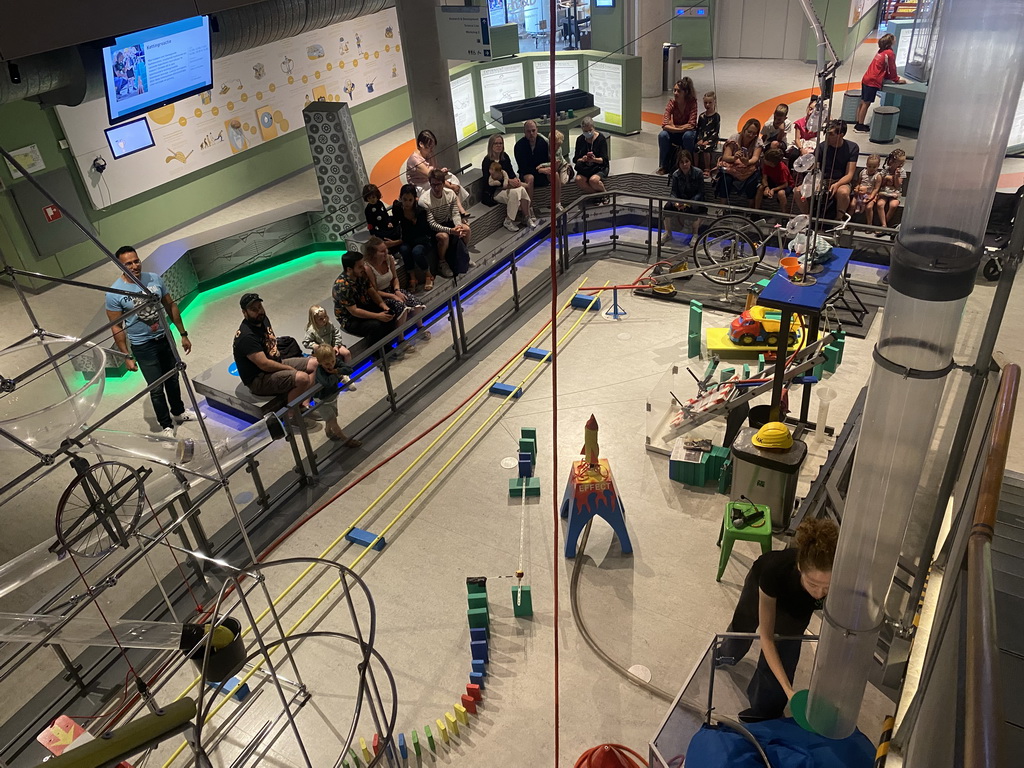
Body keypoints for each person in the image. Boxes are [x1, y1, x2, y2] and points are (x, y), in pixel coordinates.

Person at [719, 517, 839, 722]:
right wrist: (789, 689)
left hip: (798, 606)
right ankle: (724, 655)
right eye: (813, 584)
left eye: (827, 587)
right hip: (766, 586)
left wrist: (787, 692)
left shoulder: (835, 581)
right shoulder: (774, 570)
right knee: (743, 627)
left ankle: (763, 713)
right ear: (800, 567)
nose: (820, 593)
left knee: (786, 651)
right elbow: (766, 637)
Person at [105, 246, 194, 436]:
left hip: (165, 338)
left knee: (173, 377)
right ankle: (166, 426)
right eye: (128, 263)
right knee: (156, 387)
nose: (135, 265)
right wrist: (126, 356)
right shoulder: (114, 293)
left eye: (136, 261)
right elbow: (116, 326)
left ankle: (178, 412)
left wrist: (182, 333)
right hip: (143, 346)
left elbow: (170, 305)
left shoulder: (154, 278)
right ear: (120, 265)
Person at [233, 293, 317, 408]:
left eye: (260, 307)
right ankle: (292, 415)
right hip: (259, 378)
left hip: (276, 363)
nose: (259, 311)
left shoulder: (263, 319)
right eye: (253, 309)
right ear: (244, 313)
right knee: (302, 378)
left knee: (315, 363)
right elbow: (264, 365)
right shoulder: (247, 337)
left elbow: (271, 342)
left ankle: (305, 404)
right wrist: (289, 368)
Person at [332, 248, 404, 351]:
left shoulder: (361, 274)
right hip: (350, 318)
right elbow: (354, 311)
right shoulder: (342, 286)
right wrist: (378, 316)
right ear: (349, 269)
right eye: (360, 266)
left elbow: (371, 291)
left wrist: (383, 306)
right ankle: (377, 353)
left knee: (390, 312)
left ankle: (388, 343)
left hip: (364, 305)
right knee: (375, 325)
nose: (364, 268)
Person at [361, 237, 428, 341]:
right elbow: (374, 291)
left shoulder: (389, 258)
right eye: (382, 251)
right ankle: (400, 339)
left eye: (386, 249)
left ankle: (420, 327)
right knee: (401, 307)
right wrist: (393, 296)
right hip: (379, 297)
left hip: (392, 290)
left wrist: (396, 290)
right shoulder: (367, 268)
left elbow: (395, 278)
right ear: (373, 253)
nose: (385, 253)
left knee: (415, 303)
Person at [798, 119, 859, 216]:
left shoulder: (852, 148)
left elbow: (849, 174)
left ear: (841, 134)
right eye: (826, 133)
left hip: (841, 180)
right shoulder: (821, 147)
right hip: (822, 179)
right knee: (798, 191)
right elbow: (816, 167)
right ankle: (807, 218)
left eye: (831, 134)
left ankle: (838, 220)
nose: (827, 136)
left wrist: (838, 184)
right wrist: (816, 179)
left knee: (843, 192)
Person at [420, 168, 471, 278]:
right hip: (434, 230)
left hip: (448, 223)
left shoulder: (450, 194)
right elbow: (431, 224)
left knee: (466, 229)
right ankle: (442, 263)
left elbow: (455, 213)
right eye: (433, 185)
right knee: (444, 237)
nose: (436, 188)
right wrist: (451, 231)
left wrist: (458, 227)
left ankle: (463, 254)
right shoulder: (424, 201)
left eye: (438, 184)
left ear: (443, 183)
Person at [405, 128, 469, 217]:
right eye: (429, 147)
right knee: (445, 187)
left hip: (432, 179)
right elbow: (432, 176)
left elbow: (435, 170)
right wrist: (450, 186)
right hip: (422, 184)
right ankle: (458, 209)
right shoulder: (415, 160)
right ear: (421, 144)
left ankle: (457, 208)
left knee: (452, 177)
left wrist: (441, 171)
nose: (431, 150)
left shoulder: (429, 153)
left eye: (432, 147)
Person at [482, 133, 535, 231]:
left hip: (508, 186)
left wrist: (515, 180)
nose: (499, 146)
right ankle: (508, 220)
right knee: (515, 193)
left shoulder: (504, 157)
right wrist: (508, 181)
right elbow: (488, 181)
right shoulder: (487, 161)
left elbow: (510, 172)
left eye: (500, 143)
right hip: (495, 190)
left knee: (521, 189)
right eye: (496, 143)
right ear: (491, 145)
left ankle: (526, 217)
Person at [855, 33, 905, 133]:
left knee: (862, 101)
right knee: (866, 103)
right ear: (890, 42)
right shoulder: (889, 53)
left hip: (866, 77)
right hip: (873, 81)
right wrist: (896, 79)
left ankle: (857, 122)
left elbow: (882, 66)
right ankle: (860, 126)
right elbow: (892, 67)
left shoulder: (881, 51)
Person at [313, 346, 362, 447]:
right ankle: (345, 439)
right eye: (327, 364)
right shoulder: (320, 372)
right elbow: (327, 383)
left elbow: (349, 369)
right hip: (322, 400)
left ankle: (328, 431)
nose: (331, 365)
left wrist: (337, 371)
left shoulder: (335, 364)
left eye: (332, 361)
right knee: (333, 420)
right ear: (319, 362)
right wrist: (336, 374)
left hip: (332, 396)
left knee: (332, 416)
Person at [393, 183, 435, 291]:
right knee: (404, 249)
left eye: (410, 200)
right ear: (400, 198)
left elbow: (424, 232)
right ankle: (412, 278)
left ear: (415, 199)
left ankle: (428, 275)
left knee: (416, 252)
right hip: (407, 239)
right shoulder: (397, 208)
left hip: (422, 239)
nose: (407, 203)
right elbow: (395, 223)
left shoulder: (420, 211)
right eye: (404, 199)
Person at [303, 304, 355, 391]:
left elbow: (337, 334)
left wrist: (336, 345)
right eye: (320, 318)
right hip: (322, 352)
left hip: (333, 346)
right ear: (313, 319)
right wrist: (316, 346)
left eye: (325, 317)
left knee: (346, 353)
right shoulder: (311, 330)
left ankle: (346, 375)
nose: (324, 320)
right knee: (321, 363)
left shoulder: (329, 325)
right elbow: (306, 342)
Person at [657, 78, 698, 175]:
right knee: (663, 135)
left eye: (679, 91)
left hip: (687, 133)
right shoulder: (671, 103)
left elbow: (692, 124)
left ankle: (689, 165)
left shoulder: (692, 103)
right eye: (674, 90)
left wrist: (674, 127)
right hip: (677, 132)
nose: (675, 93)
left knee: (688, 136)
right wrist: (681, 128)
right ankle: (664, 165)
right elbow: (664, 125)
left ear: (686, 92)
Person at [716, 118, 763, 203]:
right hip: (733, 167)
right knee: (725, 179)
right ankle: (722, 207)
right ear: (744, 129)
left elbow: (755, 158)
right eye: (749, 132)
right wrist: (734, 158)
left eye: (754, 133)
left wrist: (747, 162)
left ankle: (750, 209)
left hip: (748, 169)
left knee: (752, 181)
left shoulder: (758, 142)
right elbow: (726, 157)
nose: (751, 135)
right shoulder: (734, 138)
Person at [664, 149, 706, 240]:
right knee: (667, 206)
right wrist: (676, 203)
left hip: (694, 200)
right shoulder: (676, 175)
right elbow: (673, 193)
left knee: (695, 207)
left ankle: (695, 235)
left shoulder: (698, 173)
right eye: (682, 162)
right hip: (681, 201)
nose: (684, 164)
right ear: (678, 164)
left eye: (687, 161)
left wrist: (688, 203)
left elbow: (700, 193)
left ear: (690, 162)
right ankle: (668, 233)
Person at [573, 116, 610, 199]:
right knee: (579, 180)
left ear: (594, 128)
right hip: (585, 167)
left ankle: (604, 194)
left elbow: (604, 160)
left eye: (590, 130)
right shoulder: (580, 140)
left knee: (593, 180)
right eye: (585, 131)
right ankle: (597, 196)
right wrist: (583, 159)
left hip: (599, 167)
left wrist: (594, 159)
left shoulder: (601, 139)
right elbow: (575, 159)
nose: (588, 133)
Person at [513, 120, 550, 201]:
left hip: (541, 172)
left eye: (533, 131)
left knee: (555, 174)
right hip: (527, 173)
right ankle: (529, 207)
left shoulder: (543, 143)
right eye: (528, 131)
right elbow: (523, 168)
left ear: (537, 130)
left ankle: (557, 203)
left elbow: (545, 161)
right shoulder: (519, 146)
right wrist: (539, 170)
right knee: (530, 178)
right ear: (524, 132)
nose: (531, 133)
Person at [535, 129, 570, 213]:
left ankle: (569, 170)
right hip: (553, 167)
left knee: (563, 181)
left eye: (558, 145)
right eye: (555, 144)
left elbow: (554, 162)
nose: (556, 146)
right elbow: (540, 135)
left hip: (561, 165)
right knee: (555, 175)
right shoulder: (546, 142)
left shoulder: (558, 150)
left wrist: (542, 165)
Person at [362, 183, 401, 250]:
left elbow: (385, 214)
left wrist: (389, 222)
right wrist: (372, 233)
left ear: (377, 196)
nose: (372, 200)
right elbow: (370, 223)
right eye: (369, 198)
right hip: (378, 229)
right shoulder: (368, 210)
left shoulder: (380, 203)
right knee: (385, 238)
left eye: (373, 197)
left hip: (386, 224)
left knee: (397, 229)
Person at [754, 148, 794, 212]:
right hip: (773, 181)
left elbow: (785, 184)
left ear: (772, 163)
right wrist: (766, 187)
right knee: (760, 188)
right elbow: (764, 178)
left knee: (781, 193)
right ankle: (756, 210)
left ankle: (784, 213)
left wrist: (773, 189)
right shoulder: (766, 165)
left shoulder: (782, 169)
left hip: (785, 185)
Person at [875, 148, 906, 232]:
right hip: (884, 191)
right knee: (880, 204)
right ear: (892, 161)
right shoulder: (886, 170)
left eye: (902, 162)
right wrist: (885, 178)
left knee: (893, 205)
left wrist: (896, 176)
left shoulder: (902, 171)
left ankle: (885, 223)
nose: (901, 165)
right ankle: (884, 225)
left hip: (895, 192)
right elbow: (881, 183)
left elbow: (897, 185)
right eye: (899, 162)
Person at [694, 91, 721, 178]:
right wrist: (700, 139)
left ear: (714, 103)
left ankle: (707, 168)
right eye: (705, 103)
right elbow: (699, 129)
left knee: (706, 149)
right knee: (696, 148)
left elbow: (716, 131)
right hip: (703, 138)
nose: (707, 105)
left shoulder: (716, 116)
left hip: (712, 139)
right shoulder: (701, 116)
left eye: (710, 103)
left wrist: (708, 141)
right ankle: (695, 167)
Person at [853, 154, 883, 225]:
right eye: (869, 166)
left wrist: (871, 197)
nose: (871, 169)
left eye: (874, 167)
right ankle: (847, 222)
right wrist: (857, 188)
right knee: (852, 205)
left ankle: (869, 224)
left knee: (869, 207)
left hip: (871, 193)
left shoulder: (877, 176)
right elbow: (858, 182)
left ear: (878, 166)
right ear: (866, 164)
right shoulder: (862, 172)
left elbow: (876, 188)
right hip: (860, 193)